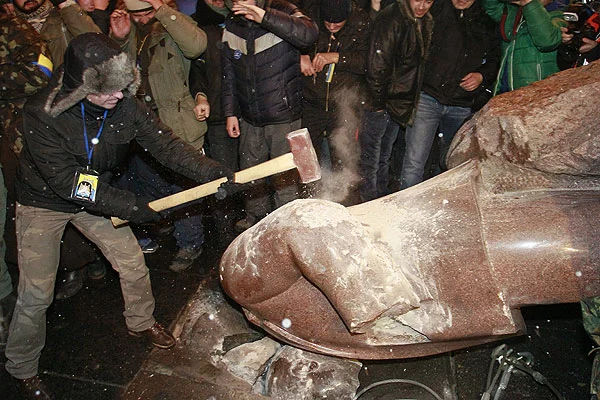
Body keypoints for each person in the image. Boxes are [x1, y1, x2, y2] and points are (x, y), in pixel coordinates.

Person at [4, 32, 233, 399]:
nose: (119, 96)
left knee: (132, 262)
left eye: (123, 87)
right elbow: (67, 182)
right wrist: (132, 207)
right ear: (81, 87)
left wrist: (211, 171)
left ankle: (140, 322)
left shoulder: (124, 103)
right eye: (108, 90)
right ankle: (22, 366)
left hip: (99, 194)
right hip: (44, 201)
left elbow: (166, 145)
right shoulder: (42, 112)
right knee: (37, 293)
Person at [11, 0, 110, 300]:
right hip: (20, 127)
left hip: (69, 118)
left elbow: (94, 42)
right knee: (45, 195)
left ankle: (88, 257)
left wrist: (68, 6)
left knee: (80, 186)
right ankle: (64, 265)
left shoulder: (63, 17)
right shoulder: (10, 26)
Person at [111, 0, 210, 272]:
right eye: (137, 15)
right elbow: (115, 75)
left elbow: (197, 45)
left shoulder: (172, 24)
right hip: (143, 126)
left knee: (184, 185)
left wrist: (162, 10)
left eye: (148, 13)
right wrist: (119, 40)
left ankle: (190, 242)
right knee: (149, 181)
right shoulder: (130, 34)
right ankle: (163, 222)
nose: (143, 20)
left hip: (178, 123)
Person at [221, 0, 318, 232]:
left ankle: (286, 222)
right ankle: (256, 218)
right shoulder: (233, 22)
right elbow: (229, 73)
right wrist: (230, 112)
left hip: (282, 114)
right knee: (251, 172)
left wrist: (264, 17)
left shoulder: (283, 9)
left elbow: (309, 34)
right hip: (249, 116)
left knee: (284, 174)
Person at [399, 0, 500, 189]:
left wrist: (481, 76)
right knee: (414, 161)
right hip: (428, 96)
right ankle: (405, 203)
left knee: (451, 163)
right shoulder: (435, 12)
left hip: (461, 104)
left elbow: (494, 60)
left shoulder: (486, 23)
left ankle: (441, 200)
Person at [0, 9, 53, 350]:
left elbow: (40, 72)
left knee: (40, 207)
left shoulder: (13, 27)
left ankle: (68, 266)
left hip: (18, 136)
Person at [358, 0, 434, 202]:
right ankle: (370, 203)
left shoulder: (423, 20)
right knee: (371, 159)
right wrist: (378, 104)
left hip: (397, 101)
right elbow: (377, 66)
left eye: (429, 1)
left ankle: (381, 198)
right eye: (418, 0)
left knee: (383, 155)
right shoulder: (392, 19)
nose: (422, 6)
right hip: (380, 101)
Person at [189, 0, 243, 247]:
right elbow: (195, 71)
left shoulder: (244, 20)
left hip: (250, 112)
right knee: (224, 173)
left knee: (252, 169)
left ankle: (250, 221)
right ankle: (226, 232)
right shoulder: (198, 28)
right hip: (219, 113)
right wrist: (200, 95)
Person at [300, 0, 371, 175]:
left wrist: (337, 57)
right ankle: (310, 190)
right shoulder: (309, 18)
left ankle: (342, 190)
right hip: (311, 103)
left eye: (338, 24)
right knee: (307, 159)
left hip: (343, 105)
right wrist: (301, 56)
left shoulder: (361, 23)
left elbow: (368, 62)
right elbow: (289, 44)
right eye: (327, 23)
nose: (332, 27)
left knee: (343, 158)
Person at [482, 0, 566, 94]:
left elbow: (546, 42)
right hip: (505, 90)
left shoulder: (558, 16)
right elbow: (490, 6)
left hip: (535, 94)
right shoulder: (514, 12)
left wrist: (529, 3)